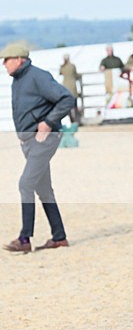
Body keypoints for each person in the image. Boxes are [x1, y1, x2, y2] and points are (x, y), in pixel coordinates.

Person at [1, 42, 75, 252]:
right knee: (43, 190)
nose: (4, 64)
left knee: (25, 184)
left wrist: (48, 122)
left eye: (7, 60)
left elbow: (67, 98)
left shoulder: (37, 76)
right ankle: (59, 237)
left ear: (19, 60)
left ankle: (24, 239)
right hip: (29, 142)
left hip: (44, 139)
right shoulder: (18, 80)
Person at [59, 53, 81, 123]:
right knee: (75, 105)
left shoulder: (62, 67)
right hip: (72, 86)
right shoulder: (72, 66)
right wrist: (79, 76)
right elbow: (76, 75)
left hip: (65, 86)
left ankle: (71, 120)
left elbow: (60, 73)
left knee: (68, 105)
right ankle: (77, 120)